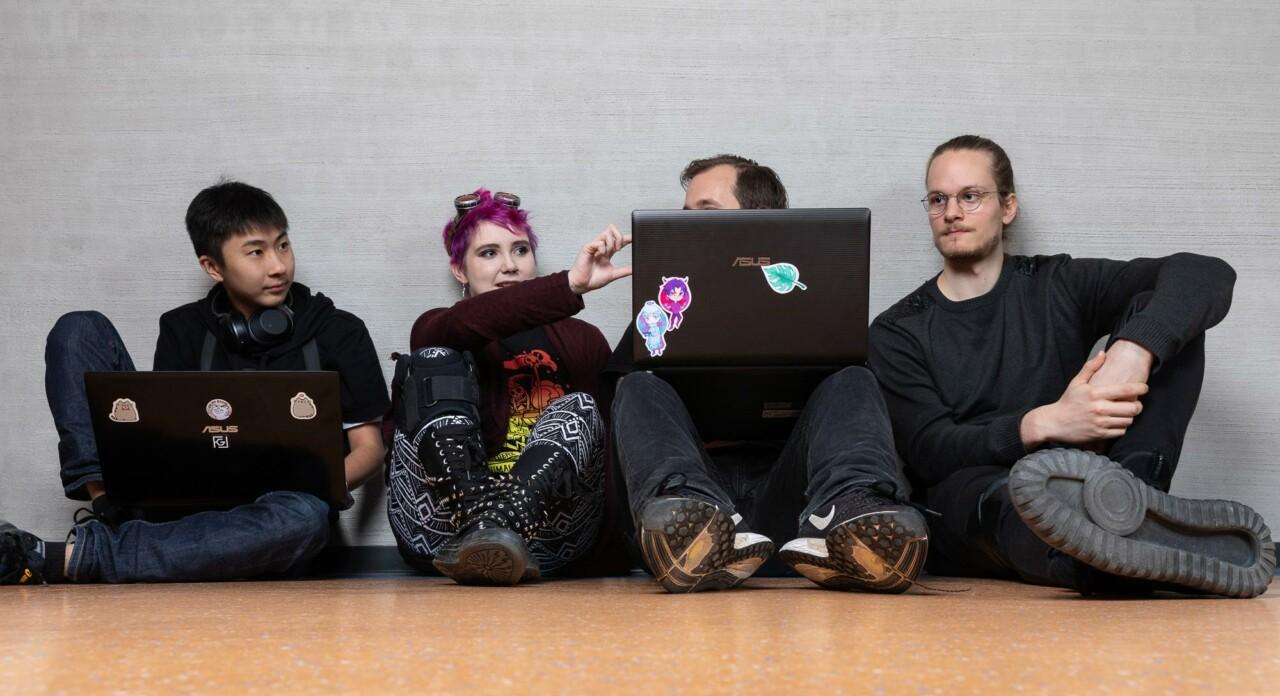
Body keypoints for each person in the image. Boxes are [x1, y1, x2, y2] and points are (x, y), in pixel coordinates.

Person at [869, 135, 1275, 597]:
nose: (952, 213)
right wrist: (1044, 423)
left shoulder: (1055, 284)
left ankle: (1132, 503)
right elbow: (929, 449)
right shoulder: (897, 328)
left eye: (970, 196)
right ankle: (1106, 556)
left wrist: (1133, 350)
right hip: (974, 500)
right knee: (1015, 497)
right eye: (938, 199)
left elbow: (1205, 273)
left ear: (1007, 208)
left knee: (1167, 317)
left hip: (1089, 479)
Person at [1, 180, 389, 586]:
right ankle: (109, 513)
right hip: (184, 506)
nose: (278, 266)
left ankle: (87, 555)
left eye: (283, 245)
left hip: (282, 513)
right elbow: (168, 435)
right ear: (212, 267)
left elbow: (370, 449)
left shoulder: (340, 330)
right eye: (256, 252)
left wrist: (319, 486)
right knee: (79, 329)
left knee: (305, 519)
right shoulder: (181, 328)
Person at [607, 154, 928, 594]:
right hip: (697, 523)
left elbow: (851, 420)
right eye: (684, 218)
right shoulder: (663, 312)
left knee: (855, 379)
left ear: (757, 223)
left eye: (705, 216)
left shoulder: (819, 312)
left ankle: (853, 519)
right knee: (637, 385)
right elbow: (625, 424)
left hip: (791, 514)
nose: (686, 229)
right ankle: (693, 527)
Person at [385, 189, 630, 585]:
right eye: (488, 253)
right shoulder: (437, 325)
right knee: (433, 359)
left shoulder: (582, 339)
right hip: (446, 530)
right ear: (459, 270)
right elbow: (459, 328)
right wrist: (568, 284)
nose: (510, 266)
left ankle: (497, 525)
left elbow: (604, 456)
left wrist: (614, 553)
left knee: (582, 407)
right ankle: (483, 525)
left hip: (548, 535)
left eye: (520, 250)